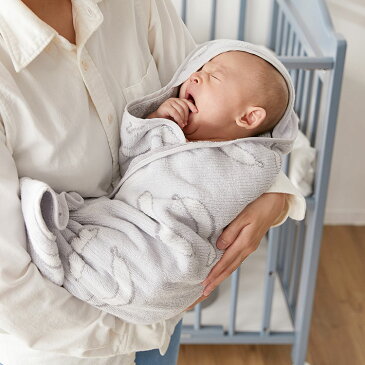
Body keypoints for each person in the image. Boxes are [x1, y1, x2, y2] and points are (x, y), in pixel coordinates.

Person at [0, 1, 305, 364]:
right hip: (72, 344)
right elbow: (11, 290)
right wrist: (141, 326)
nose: (197, 77)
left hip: (164, 312)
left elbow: (235, 115)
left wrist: (273, 193)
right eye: (203, 73)